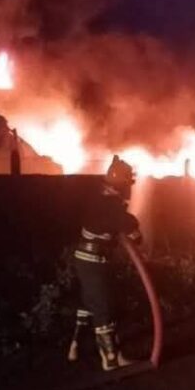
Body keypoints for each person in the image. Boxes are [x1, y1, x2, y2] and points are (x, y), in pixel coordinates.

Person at [67, 155, 142, 371]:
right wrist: (134, 228)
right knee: (103, 306)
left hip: (87, 258)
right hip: (93, 260)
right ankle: (111, 359)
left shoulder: (99, 199)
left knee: (89, 302)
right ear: (122, 184)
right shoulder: (111, 206)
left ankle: (76, 347)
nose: (130, 188)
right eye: (128, 183)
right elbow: (132, 232)